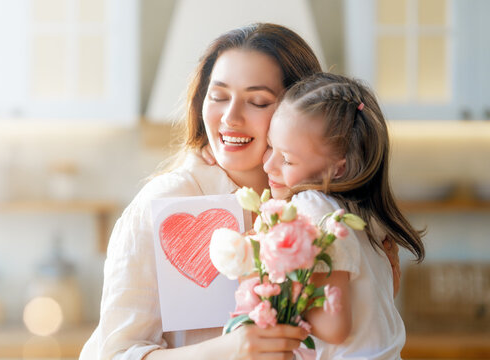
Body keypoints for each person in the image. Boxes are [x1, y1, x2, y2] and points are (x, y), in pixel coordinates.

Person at [81, 23, 399, 360]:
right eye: (218, 97)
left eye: (258, 101)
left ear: (301, 111)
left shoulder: (323, 209)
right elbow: (112, 355)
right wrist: (227, 350)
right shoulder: (166, 201)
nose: (230, 118)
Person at [262, 72, 425, 359]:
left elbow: (335, 328)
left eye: (286, 158)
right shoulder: (365, 212)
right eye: (270, 147)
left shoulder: (311, 208)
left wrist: (269, 291)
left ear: (337, 169)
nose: (268, 165)